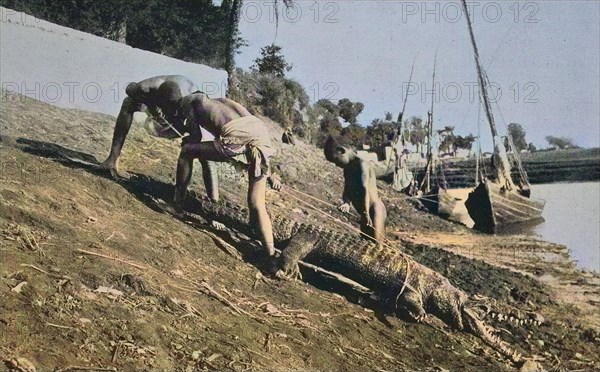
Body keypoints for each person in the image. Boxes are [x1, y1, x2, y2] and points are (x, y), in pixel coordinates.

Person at [173, 91, 281, 263]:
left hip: (236, 136)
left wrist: (187, 139)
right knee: (257, 203)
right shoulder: (220, 101)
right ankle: (271, 255)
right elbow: (247, 135)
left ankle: (177, 204)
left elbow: (195, 137)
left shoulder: (188, 103)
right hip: (259, 131)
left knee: (187, 152)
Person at [99, 75, 219, 200]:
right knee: (128, 102)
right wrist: (151, 105)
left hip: (187, 116)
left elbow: (197, 135)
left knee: (202, 148)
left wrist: (189, 136)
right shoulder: (148, 87)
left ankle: (213, 198)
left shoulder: (194, 100)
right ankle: (112, 159)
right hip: (158, 109)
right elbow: (130, 88)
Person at [324, 135, 387, 244]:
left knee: (376, 242)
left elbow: (364, 188)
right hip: (364, 212)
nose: (336, 164)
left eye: (336, 160)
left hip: (374, 209)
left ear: (342, 151)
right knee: (366, 241)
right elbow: (347, 188)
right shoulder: (347, 168)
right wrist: (346, 202)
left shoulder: (362, 164)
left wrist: (366, 213)